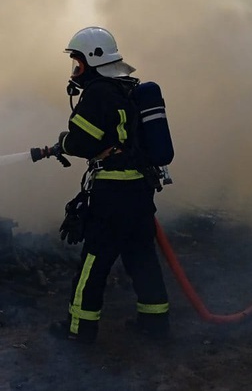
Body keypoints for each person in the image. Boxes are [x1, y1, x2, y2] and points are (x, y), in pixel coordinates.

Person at [48, 26, 174, 344]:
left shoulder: (98, 93)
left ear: (94, 60)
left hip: (112, 195)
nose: (75, 71)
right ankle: (155, 324)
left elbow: (81, 141)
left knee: (94, 263)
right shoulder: (127, 88)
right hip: (140, 194)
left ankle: (79, 330)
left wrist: (63, 142)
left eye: (78, 63)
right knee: (142, 258)